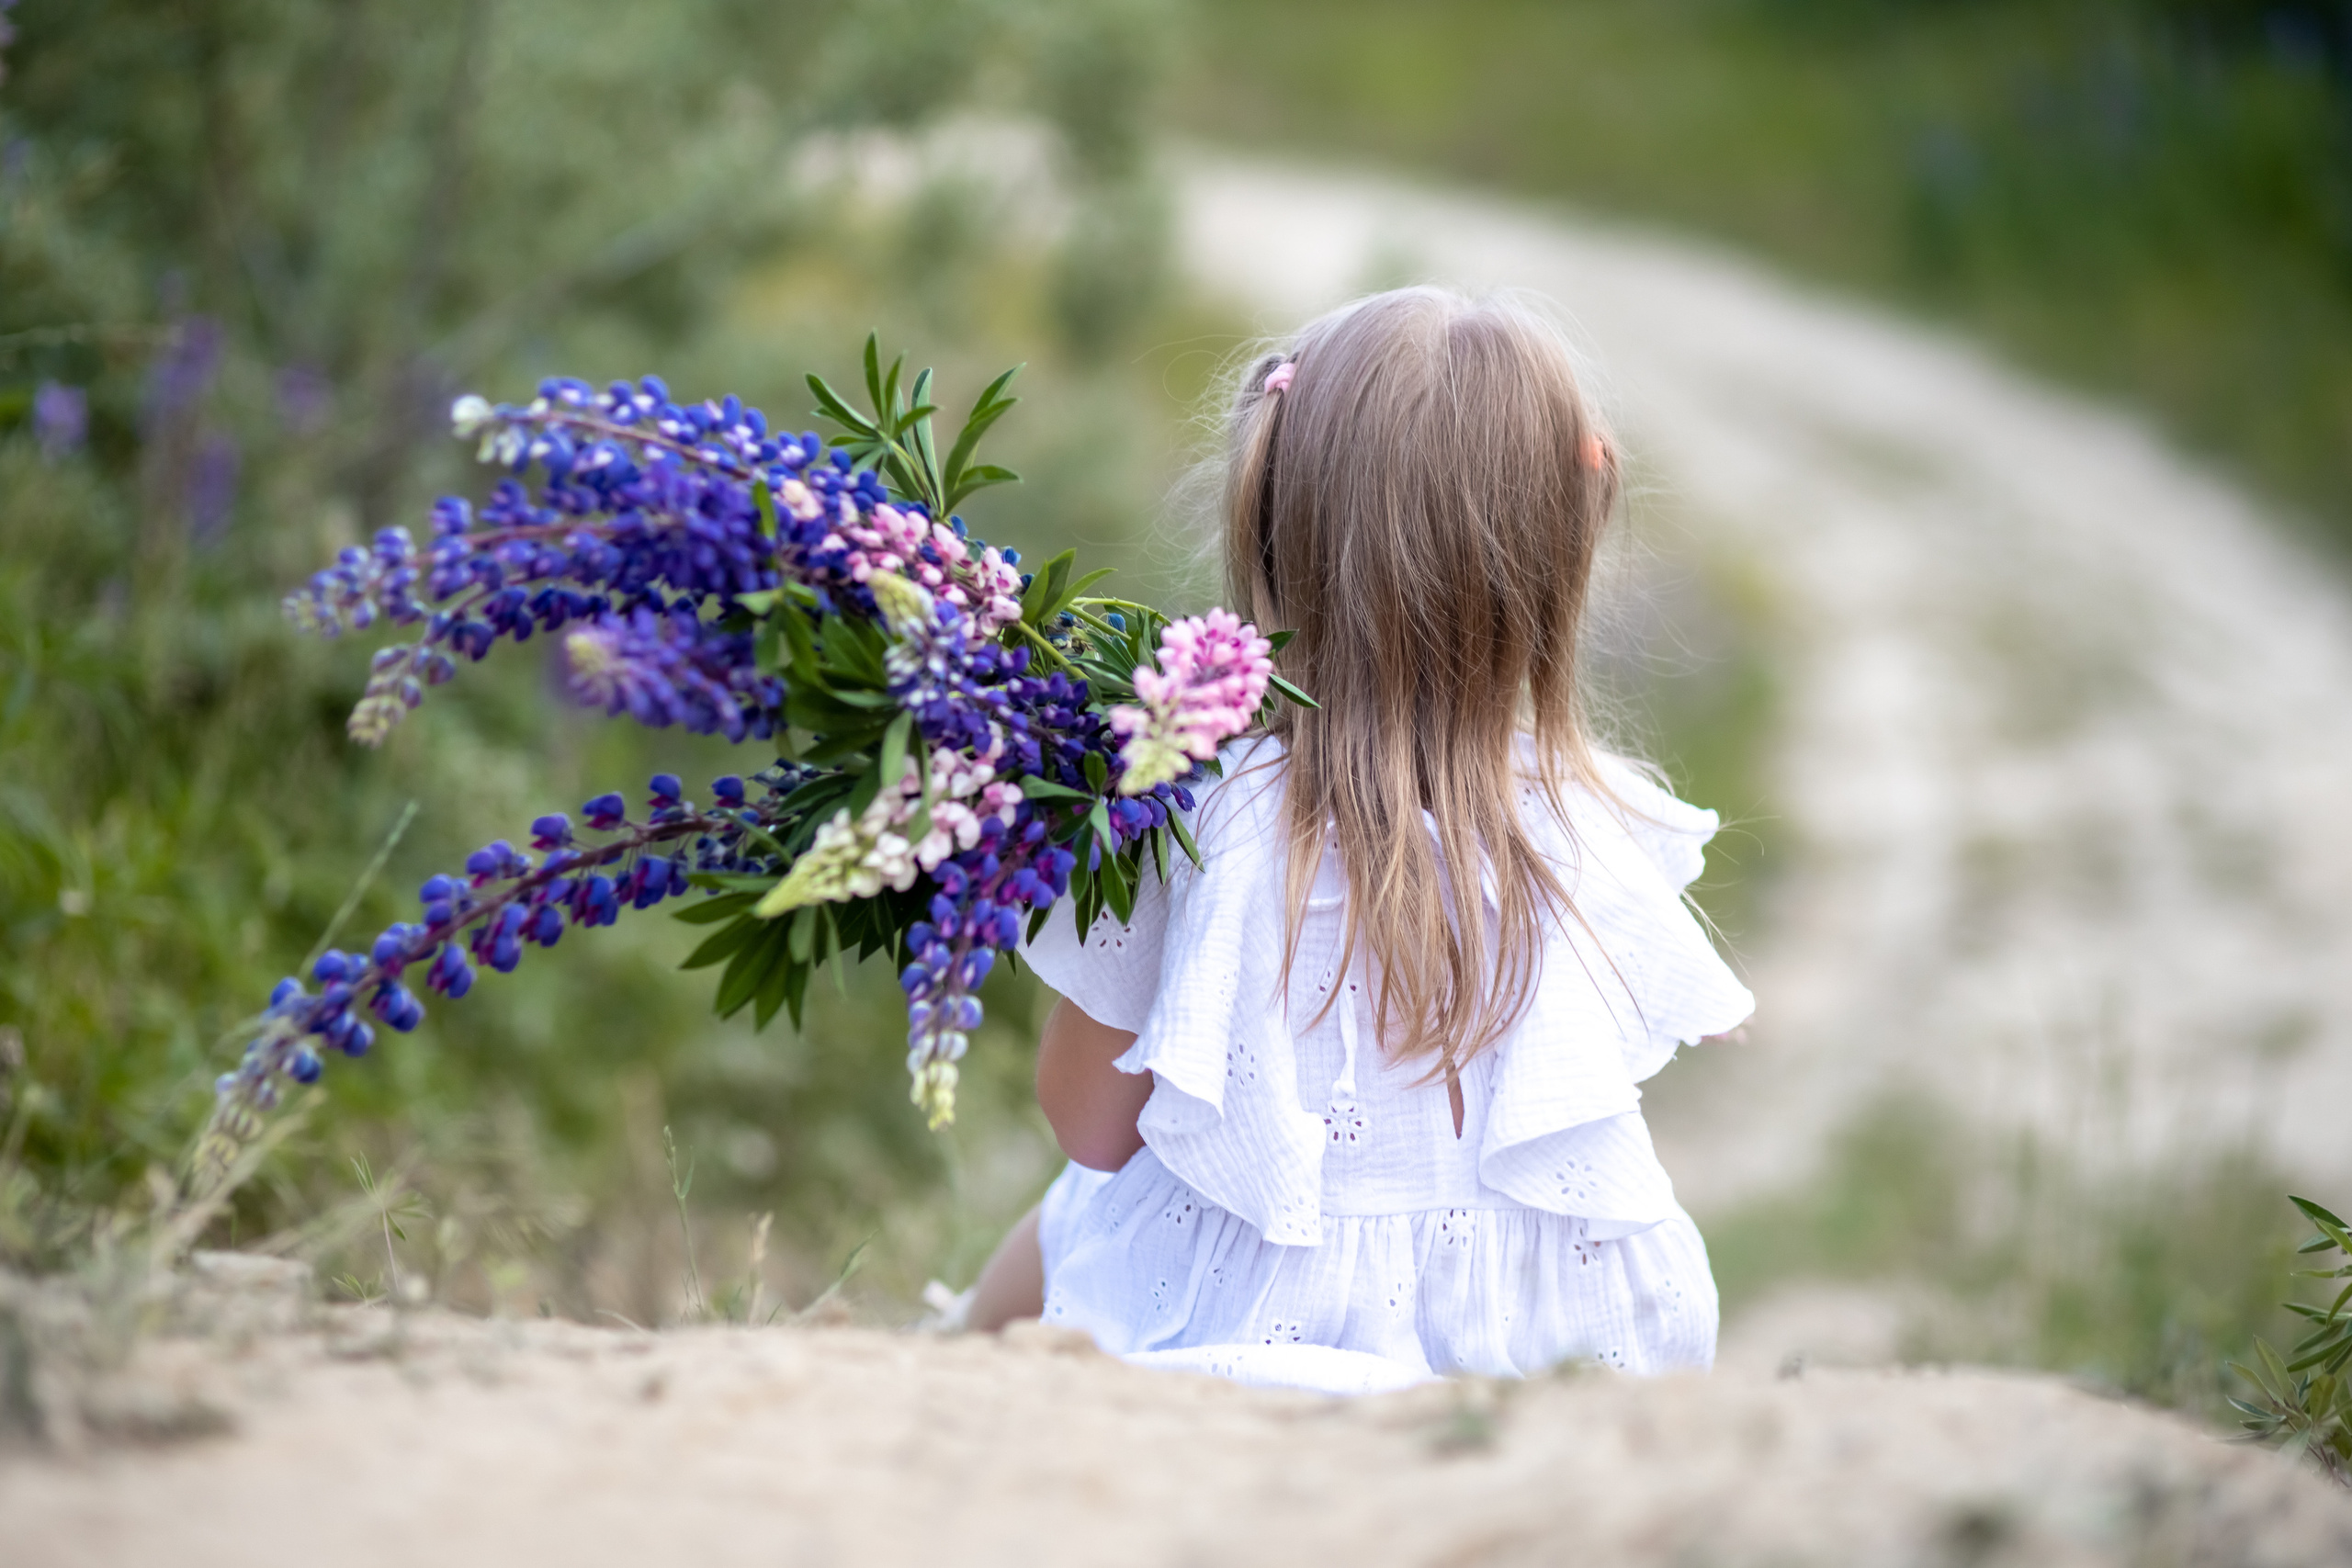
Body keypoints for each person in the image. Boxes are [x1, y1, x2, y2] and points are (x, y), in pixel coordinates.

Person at [963, 287, 1753, 1394]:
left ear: (1267, 521)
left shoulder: (1202, 816)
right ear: (1578, 525)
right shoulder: (1595, 819)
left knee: (1071, 1212)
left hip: (1248, 1324)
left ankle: (935, 1372)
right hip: (1572, 1341)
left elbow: (1089, 1129)